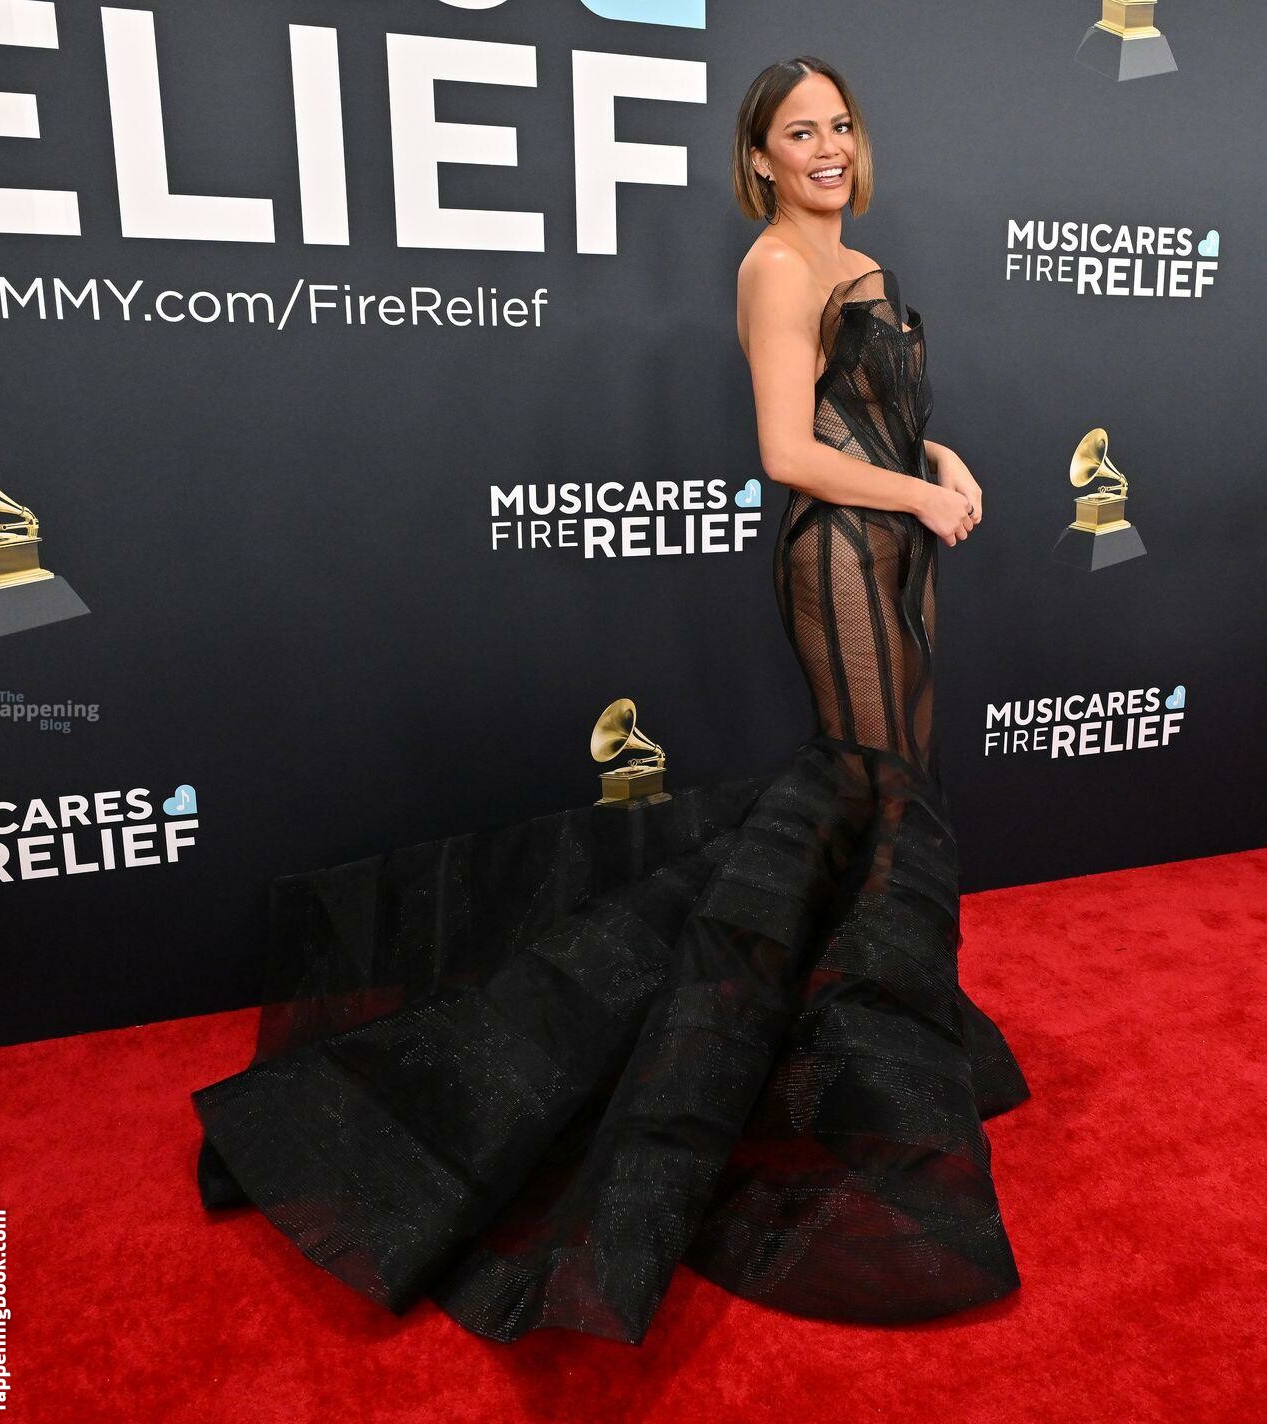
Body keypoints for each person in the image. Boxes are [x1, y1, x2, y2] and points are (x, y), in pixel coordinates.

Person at [188, 56, 1028, 1345]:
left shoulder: (859, 262)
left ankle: (865, 1054)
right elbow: (787, 450)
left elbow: (874, 413)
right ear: (758, 156)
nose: (826, 147)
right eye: (799, 131)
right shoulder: (775, 267)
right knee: (878, 796)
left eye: (840, 125)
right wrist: (918, 493)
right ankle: (842, 1073)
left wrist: (943, 462)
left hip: (902, 551)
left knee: (887, 807)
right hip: (842, 559)